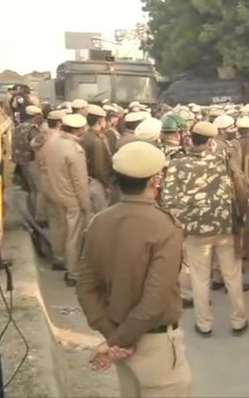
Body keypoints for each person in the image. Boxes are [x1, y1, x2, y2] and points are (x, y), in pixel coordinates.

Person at [76, 141, 192, 397]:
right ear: (155, 180)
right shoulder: (165, 227)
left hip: (118, 333)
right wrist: (119, 341)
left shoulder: (99, 222)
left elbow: (85, 287)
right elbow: (153, 301)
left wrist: (112, 335)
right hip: (155, 345)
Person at [160, 121, 249, 337]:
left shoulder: (176, 165)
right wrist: (241, 216)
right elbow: (239, 185)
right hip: (225, 227)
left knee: (200, 279)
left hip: (195, 232)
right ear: (210, 142)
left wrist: (183, 224)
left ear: (191, 138)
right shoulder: (223, 160)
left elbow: (168, 200)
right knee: (232, 276)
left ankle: (204, 324)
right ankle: (239, 320)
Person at [41, 114, 92, 286]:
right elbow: (80, 182)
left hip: (52, 190)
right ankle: (73, 272)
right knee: (74, 234)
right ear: (78, 130)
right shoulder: (75, 150)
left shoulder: (53, 142)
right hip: (70, 196)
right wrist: (86, 206)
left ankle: (59, 257)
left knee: (57, 226)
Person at [80, 105, 113, 214]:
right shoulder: (96, 141)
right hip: (97, 182)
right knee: (100, 213)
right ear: (100, 121)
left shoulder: (85, 136)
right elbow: (99, 167)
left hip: (87, 180)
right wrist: (106, 184)